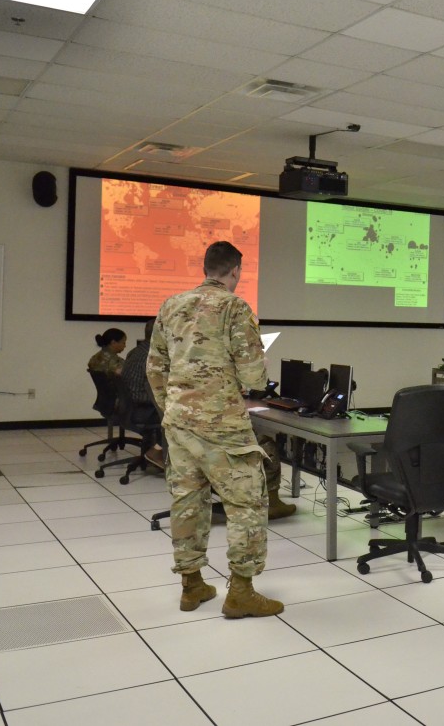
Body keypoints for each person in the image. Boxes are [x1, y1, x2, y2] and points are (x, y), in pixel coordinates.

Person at [146, 240, 282, 618]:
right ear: (235, 270)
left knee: (187, 500)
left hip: (178, 423)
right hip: (223, 425)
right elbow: (254, 377)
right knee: (247, 502)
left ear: (205, 268)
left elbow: (154, 369)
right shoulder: (235, 308)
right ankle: (241, 592)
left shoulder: (171, 305)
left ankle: (192, 585)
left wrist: (175, 408)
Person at [120, 319, 165, 466]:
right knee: (180, 413)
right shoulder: (152, 356)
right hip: (142, 407)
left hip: (130, 406)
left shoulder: (136, 351)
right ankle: (157, 451)